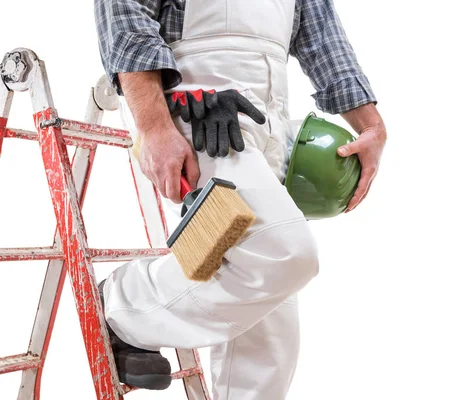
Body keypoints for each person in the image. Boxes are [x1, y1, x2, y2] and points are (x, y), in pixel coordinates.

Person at [94, 0, 387, 398]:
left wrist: (371, 124)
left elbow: (319, 30)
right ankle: (124, 304)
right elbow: (125, 11)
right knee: (284, 254)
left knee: (269, 336)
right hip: (202, 107)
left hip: (270, 114)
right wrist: (153, 125)